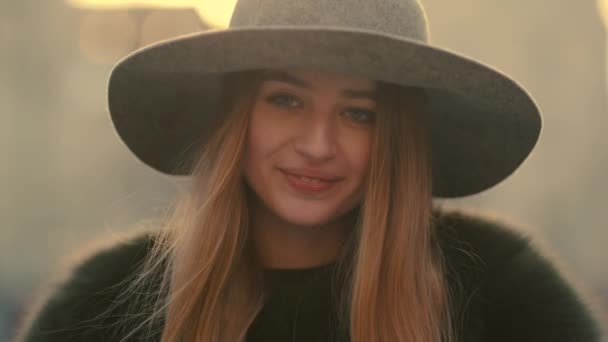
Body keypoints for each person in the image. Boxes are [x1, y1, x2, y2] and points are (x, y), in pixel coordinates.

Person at [15, 0, 605, 341]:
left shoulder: (505, 295)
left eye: (358, 112)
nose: (318, 145)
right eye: (286, 100)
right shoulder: (98, 307)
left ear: (396, 137)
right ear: (235, 114)